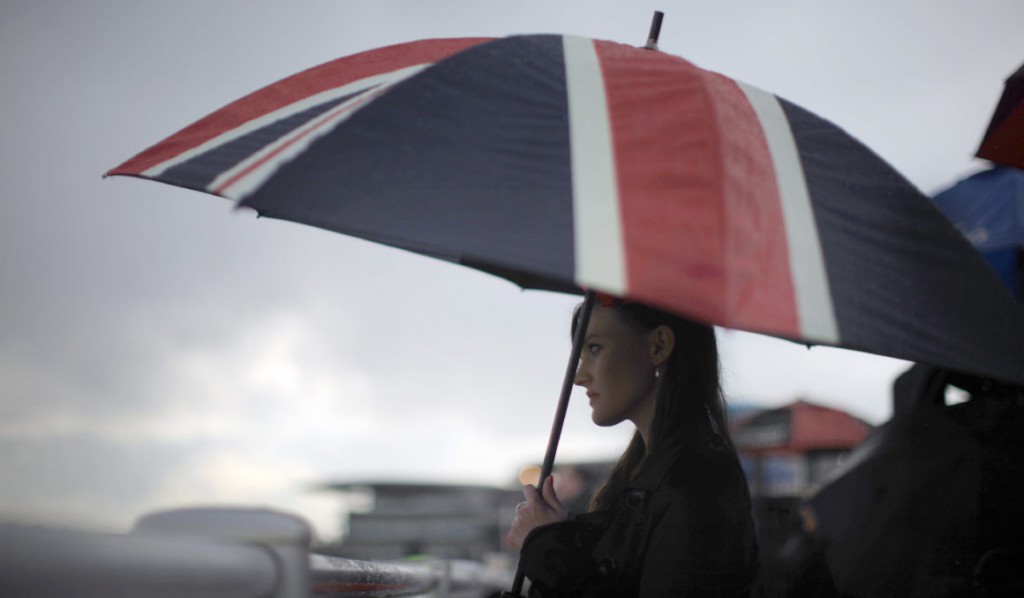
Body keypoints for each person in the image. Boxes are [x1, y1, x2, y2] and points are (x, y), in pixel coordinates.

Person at [504, 295, 759, 596]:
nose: (579, 376)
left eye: (594, 348)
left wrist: (546, 548)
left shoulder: (697, 481)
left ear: (658, 346)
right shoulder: (646, 477)